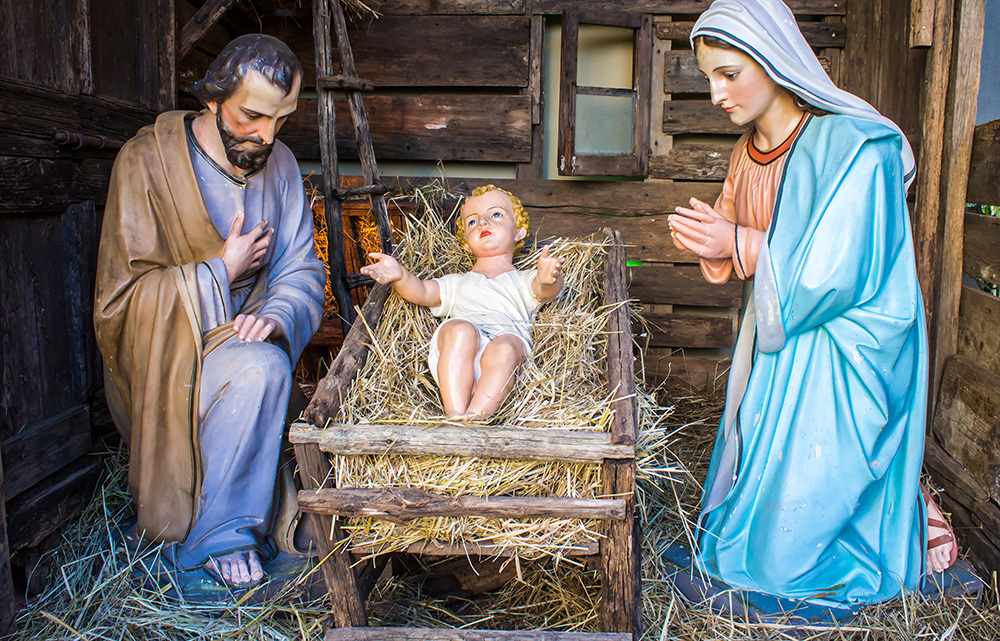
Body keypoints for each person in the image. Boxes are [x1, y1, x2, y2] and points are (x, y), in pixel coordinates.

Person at [666, 0, 957, 607]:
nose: (718, 94)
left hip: (848, 344)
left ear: (773, 60)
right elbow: (736, 244)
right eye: (709, 78)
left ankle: (905, 520)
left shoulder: (854, 145)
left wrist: (740, 244)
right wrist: (715, 244)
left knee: (791, 541)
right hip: (780, 337)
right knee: (761, 493)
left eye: (729, 73)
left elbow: (838, 272)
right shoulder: (747, 156)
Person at [94, 34, 326, 590]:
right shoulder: (146, 161)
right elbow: (117, 303)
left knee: (264, 364)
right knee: (262, 369)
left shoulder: (283, 165)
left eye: (281, 120)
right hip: (169, 363)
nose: (266, 135)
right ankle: (220, 536)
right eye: (252, 116)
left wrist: (277, 315)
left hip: (247, 345)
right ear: (213, 99)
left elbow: (302, 270)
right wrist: (219, 272)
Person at [360, 185, 564, 419]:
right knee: (460, 329)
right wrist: (401, 276)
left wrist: (549, 278)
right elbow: (424, 292)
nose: (484, 223)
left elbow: (544, 290)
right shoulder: (457, 283)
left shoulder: (523, 279)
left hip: (504, 364)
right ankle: (454, 415)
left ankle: (475, 418)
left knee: (506, 347)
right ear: (466, 243)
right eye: (472, 222)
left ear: (519, 231)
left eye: (496, 214)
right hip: (459, 359)